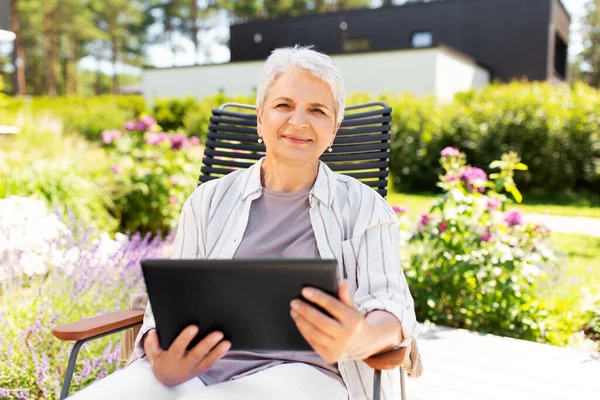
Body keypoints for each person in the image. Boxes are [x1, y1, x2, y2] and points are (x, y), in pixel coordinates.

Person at [70, 45, 419, 400]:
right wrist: (161, 359)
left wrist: (359, 337)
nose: (298, 121)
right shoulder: (207, 201)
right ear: (260, 118)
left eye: (317, 110)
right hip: (198, 372)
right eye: (284, 105)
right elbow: (171, 303)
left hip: (306, 376)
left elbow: (392, 305)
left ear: (334, 130)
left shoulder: (365, 208)